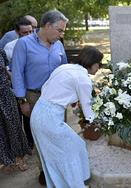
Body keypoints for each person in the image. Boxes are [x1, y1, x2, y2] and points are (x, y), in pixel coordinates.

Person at [30, 46, 103, 188]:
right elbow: (88, 111)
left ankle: (70, 181)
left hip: (39, 111)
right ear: (93, 63)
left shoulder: (65, 67)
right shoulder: (83, 79)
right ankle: (74, 184)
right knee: (67, 153)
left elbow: (49, 88)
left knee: (68, 148)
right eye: (99, 64)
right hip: (49, 119)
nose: (99, 67)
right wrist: (101, 123)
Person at [11, 10, 68, 185]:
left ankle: (60, 168)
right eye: (60, 30)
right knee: (41, 137)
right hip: (34, 97)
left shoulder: (58, 44)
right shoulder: (24, 44)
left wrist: (71, 94)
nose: (62, 34)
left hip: (58, 97)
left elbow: (65, 69)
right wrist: (22, 100)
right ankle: (45, 171)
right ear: (48, 26)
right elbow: (17, 73)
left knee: (59, 134)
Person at [0, 49, 31, 172]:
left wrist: (18, 87)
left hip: (6, 94)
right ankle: (6, 160)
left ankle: (19, 158)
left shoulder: (1, 52)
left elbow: (6, 70)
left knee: (13, 126)